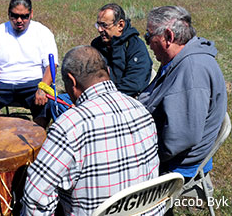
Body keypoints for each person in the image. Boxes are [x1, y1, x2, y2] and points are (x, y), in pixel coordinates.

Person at [21, 46, 160, 215]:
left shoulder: (70, 125)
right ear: (107, 71)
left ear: (72, 82)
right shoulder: (141, 111)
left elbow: (35, 196)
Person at [139, 6, 227, 179]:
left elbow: (180, 138)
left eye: (149, 36)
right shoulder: (178, 60)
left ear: (168, 37)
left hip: (176, 164)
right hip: (169, 152)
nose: (148, 43)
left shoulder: (192, 70)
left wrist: (143, 153)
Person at [0, 0, 58, 126]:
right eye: (15, 16)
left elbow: (51, 66)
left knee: (48, 100)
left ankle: (38, 136)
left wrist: (43, 88)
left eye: (24, 16)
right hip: (2, 84)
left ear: (31, 14)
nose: (19, 20)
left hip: (33, 84)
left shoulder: (43, 33)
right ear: (8, 14)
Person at [91, 3, 152, 97]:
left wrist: (108, 97)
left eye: (104, 25)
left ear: (120, 25)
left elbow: (134, 85)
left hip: (128, 99)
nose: (99, 29)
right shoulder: (96, 45)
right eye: (98, 25)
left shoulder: (135, 46)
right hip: (99, 96)